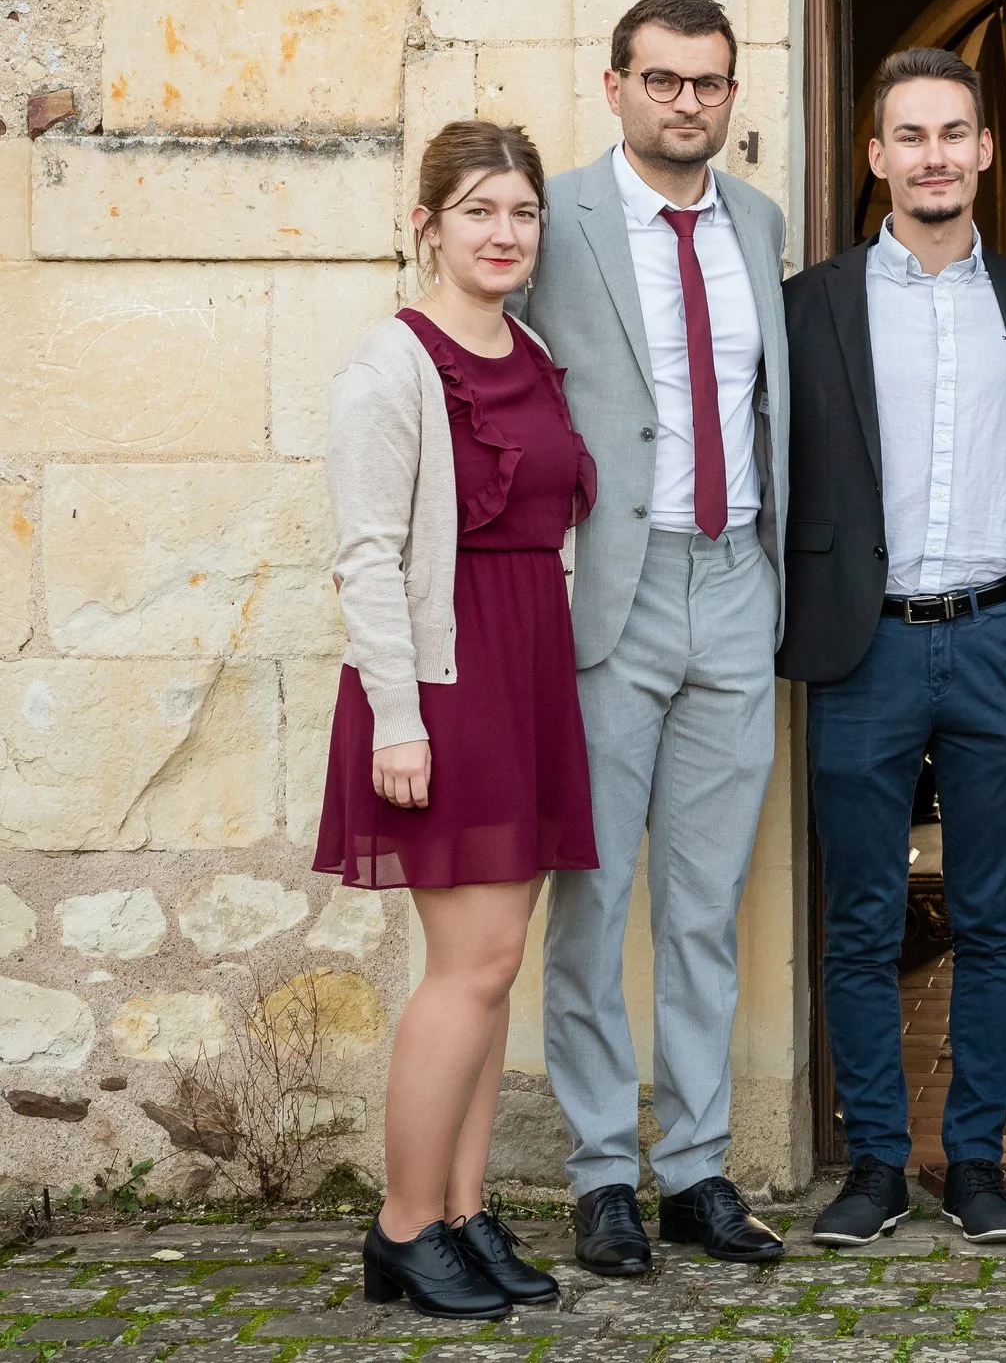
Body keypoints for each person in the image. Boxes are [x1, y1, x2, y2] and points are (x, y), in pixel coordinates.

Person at [516, 0, 792, 1273]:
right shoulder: (555, 219)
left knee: (703, 903)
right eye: (667, 80)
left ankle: (695, 1169)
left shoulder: (756, 221)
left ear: (733, 97)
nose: (690, 103)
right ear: (617, 83)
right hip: (610, 594)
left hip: (737, 580)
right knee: (595, 896)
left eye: (712, 84)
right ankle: (599, 1175)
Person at [781, 49, 1006, 1249]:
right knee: (860, 920)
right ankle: (872, 1165)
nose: (935, 156)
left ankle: (981, 1164)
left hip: (998, 638)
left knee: (997, 919)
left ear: (986, 151)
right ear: (877, 157)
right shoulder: (814, 304)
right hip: (867, 647)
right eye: (911, 136)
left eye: (955, 133)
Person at [321, 120, 596, 1321]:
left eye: (522, 212)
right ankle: (399, 1227)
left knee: (495, 972)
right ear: (427, 222)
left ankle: (464, 1210)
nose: (504, 232)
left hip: (530, 668)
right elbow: (367, 557)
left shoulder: (532, 349)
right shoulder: (391, 365)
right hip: (443, 683)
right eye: (479, 209)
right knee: (468, 966)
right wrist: (399, 719)